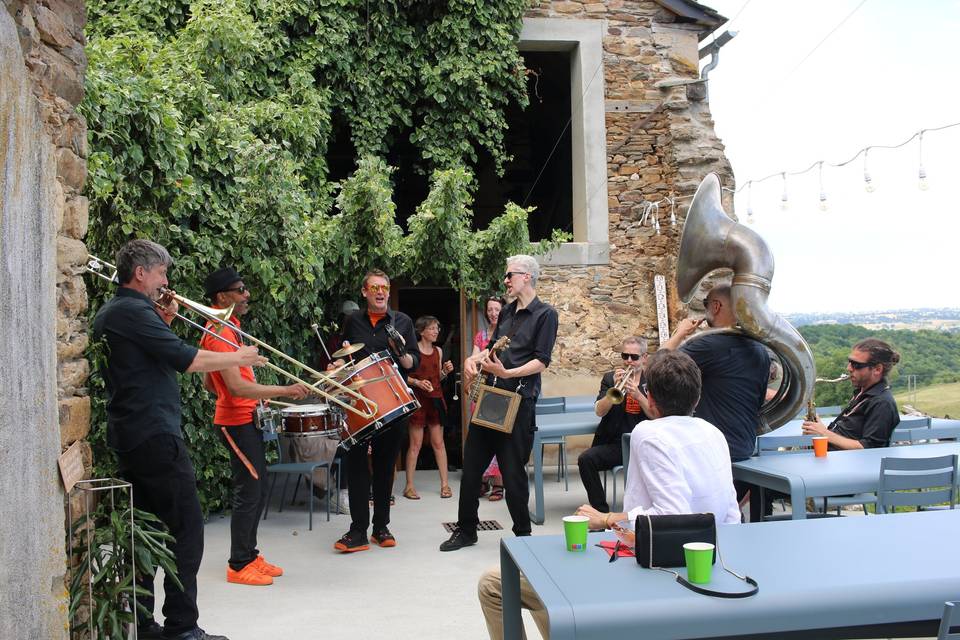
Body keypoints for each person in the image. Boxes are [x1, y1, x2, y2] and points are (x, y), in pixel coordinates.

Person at [477, 350, 741, 640]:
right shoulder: (713, 433)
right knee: (548, 594)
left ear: (649, 397)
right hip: (704, 566)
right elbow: (731, 514)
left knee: (493, 583)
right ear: (698, 397)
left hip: (648, 570)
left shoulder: (648, 433)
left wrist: (606, 518)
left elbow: (671, 516)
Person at [93, 239, 266, 640]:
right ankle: (182, 628)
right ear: (141, 273)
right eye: (161, 273)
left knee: (147, 531)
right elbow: (186, 359)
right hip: (153, 435)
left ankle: (145, 623)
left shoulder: (118, 311)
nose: (165, 282)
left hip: (134, 434)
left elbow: (147, 357)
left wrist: (165, 323)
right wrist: (238, 358)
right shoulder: (133, 311)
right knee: (187, 530)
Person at [199, 267, 311, 586]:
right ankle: (238, 564)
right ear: (222, 297)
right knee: (249, 491)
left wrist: (250, 398)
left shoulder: (230, 328)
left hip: (244, 417)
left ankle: (249, 554)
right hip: (235, 423)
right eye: (240, 290)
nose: (247, 295)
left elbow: (211, 383)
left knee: (257, 488)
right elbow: (234, 388)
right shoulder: (218, 334)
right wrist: (283, 391)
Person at [441, 255, 558, 551]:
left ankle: (523, 538)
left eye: (510, 276)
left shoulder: (546, 315)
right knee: (471, 471)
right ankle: (467, 530)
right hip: (490, 397)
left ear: (527, 277)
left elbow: (541, 361)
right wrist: (472, 359)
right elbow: (492, 349)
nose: (505, 281)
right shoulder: (506, 311)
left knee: (513, 475)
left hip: (518, 402)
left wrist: (506, 372)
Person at [333, 269, 419, 553]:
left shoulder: (402, 321)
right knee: (356, 466)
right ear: (364, 292)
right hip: (358, 404)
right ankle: (357, 530)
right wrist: (337, 365)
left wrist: (402, 352)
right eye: (374, 288)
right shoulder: (353, 321)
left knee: (384, 467)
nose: (380, 292)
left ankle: (381, 527)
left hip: (391, 405)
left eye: (384, 287)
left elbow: (412, 364)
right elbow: (345, 356)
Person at [663, 284, 770, 467]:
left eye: (706, 304)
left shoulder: (708, 345)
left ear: (716, 306)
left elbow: (657, 365)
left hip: (710, 450)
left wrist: (680, 333)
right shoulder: (760, 350)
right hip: (744, 447)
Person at [578, 336, 650, 513]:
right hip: (615, 444)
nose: (629, 361)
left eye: (634, 357)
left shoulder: (653, 379)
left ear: (645, 357)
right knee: (585, 459)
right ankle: (601, 512)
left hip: (643, 444)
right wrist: (615, 390)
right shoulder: (610, 378)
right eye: (625, 356)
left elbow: (658, 416)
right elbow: (599, 411)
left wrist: (639, 396)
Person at [802, 338, 901, 449]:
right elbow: (848, 433)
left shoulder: (882, 403)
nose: (848, 368)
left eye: (856, 365)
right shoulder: (862, 392)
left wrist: (824, 433)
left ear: (877, 369)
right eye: (849, 362)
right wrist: (819, 428)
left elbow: (869, 448)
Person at [404, 315, 455, 499]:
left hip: (436, 400)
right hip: (418, 401)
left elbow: (437, 378)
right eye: (432, 328)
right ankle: (409, 486)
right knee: (415, 444)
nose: (436, 332)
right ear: (421, 331)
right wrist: (417, 383)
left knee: (439, 443)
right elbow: (403, 377)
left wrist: (445, 372)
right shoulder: (413, 351)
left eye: (437, 328)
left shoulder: (439, 351)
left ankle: (445, 485)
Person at [472, 297, 505, 501]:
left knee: (499, 436)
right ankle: (483, 480)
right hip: (483, 389)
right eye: (490, 310)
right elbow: (474, 359)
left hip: (500, 391)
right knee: (482, 436)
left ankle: (499, 483)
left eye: (497, 309)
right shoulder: (480, 336)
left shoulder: (506, 335)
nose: (493, 313)